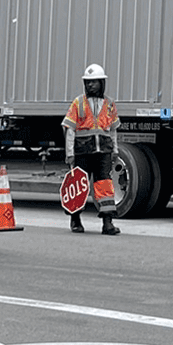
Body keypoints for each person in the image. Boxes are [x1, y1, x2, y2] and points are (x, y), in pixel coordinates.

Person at [62, 61, 121, 235]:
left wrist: (115, 150)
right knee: (78, 188)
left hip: (103, 152)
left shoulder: (110, 104)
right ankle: (75, 220)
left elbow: (113, 130)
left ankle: (107, 223)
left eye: (94, 81)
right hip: (82, 152)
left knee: (105, 187)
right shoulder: (78, 103)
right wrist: (70, 154)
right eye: (88, 81)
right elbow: (70, 130)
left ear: (102, 83)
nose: (90, 84)